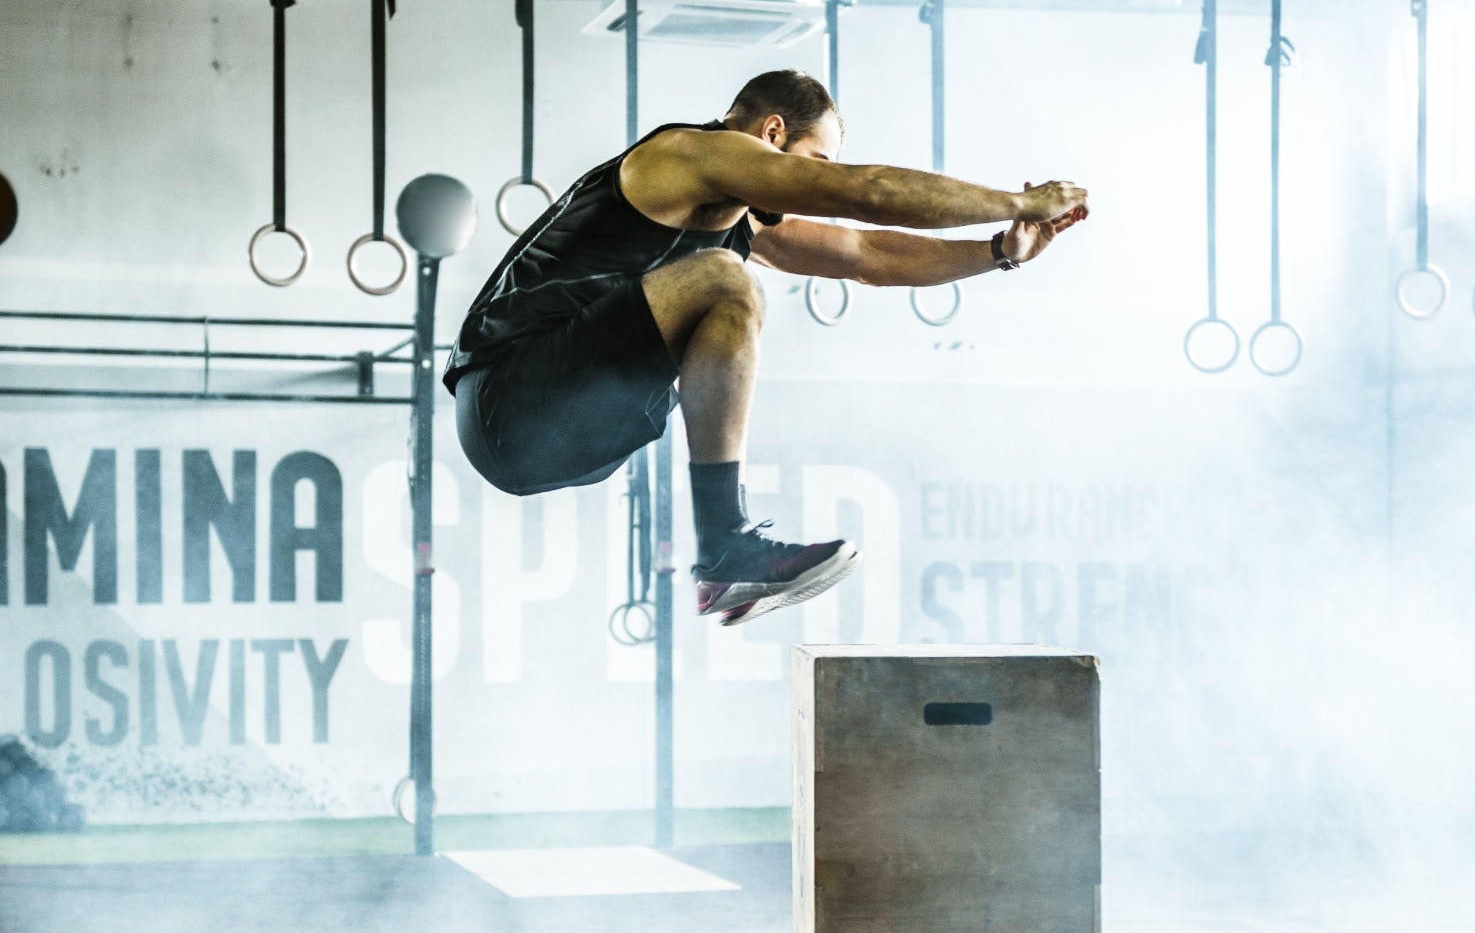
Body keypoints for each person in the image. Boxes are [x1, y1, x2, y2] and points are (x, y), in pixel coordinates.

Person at [445, 69, 1088, 627]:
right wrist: (1018, 199)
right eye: (815, 164)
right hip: (509, 399)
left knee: (728, 281)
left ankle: (726, 551)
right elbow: (866, 195)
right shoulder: (685, 156)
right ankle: (726, 546)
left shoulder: (741, 219)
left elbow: (866, 254)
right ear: (772, 135)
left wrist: (1000, 251)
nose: (816, 184)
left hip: (567, 434)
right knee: (728, 282)